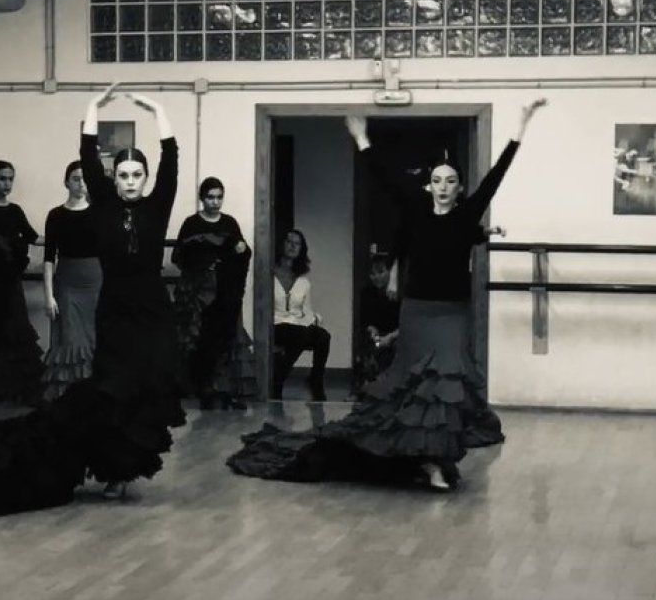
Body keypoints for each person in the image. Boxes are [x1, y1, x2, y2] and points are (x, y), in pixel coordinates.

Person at [0, 84, 187, 519]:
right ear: (113, 179)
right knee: (112, 394)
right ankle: (115, 470)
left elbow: (172, 164)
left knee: (148, 393)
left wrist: (160, 113)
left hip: (153, 313)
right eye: (122, 175)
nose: (129, 182)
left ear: (145, 178)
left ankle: (129, 467)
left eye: (136, 175)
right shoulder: (103, 203)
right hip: (116, 311)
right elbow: (87, 156)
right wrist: (91, 109)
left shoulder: (158, 205)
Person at [227, 99, 546, 492]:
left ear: (460, 187)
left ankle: (435, 458)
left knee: (445, 386)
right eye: (438, 180)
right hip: (418, 313)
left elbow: (498, 174)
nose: (444, 187)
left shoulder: (468, 214)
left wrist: (521, 125)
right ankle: (426, 460)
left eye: (451, 181)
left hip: (452, 314)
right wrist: (362, 138)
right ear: (429, 184)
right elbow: (384, 175)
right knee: (414, 386)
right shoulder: (414, 209)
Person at [172, 177, 254, 410]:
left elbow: (241, 253)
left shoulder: (230, 222)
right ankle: (202, 389)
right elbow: (179, 257)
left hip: (226, 293)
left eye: (219, 197)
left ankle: (224, 389)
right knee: (199, 339)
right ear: (202, 198)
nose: (215, 202)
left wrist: (241, 249)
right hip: (199, 295)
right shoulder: (191, 223)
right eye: (210, 197)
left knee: (226, 338)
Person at [0, 161, 45, 404]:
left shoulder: (15, 210)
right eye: (2, 178)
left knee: (17, 328)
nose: (7, 184)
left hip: (11, 281)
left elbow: (34, 236)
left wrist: (63, 235)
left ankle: (19, 388)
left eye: (10, 179)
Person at [41, 160, 101, 400]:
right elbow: (48, 259)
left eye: (85, 178)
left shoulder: (99, 212)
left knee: (95, 338)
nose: (81, 183)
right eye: (76, 178)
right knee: (68, 339)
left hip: (96, 282)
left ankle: (93, 397)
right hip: (66, 283)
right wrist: (48, 296)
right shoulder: (55, 215)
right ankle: (69, 397)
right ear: (66, 182)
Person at [271, 229, 330, 402]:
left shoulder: (303, 281)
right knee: (300, 335)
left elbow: (307, 311)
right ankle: (277, 380)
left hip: (298, 325)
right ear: (281, 244)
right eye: (289, 241)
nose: (292, 246)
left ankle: (315, 380)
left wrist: (312, 321)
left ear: (301, 250)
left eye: (297, 244)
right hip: (276, 324)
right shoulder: (268, 274)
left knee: (323, 336)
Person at [352, 253, 400, 400]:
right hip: (378, 333)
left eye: (380, 272)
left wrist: (390, 337)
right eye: (372, 274)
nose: (376, 277)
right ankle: (362, 389)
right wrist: (373, 331)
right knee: (366, 343)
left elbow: (406, 324)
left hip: (397, 334)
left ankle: (392, 390)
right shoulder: (367, 292)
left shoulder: (400, 293)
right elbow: (366, 321)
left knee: (397, 346)